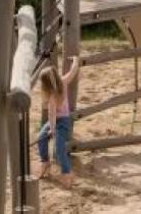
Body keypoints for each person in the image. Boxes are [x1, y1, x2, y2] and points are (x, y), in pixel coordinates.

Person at [37, 57, 80, 188]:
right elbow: (73, 72)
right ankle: (45, 162)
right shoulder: (62, 82)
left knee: (60, 149)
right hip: (55, 121)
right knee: (40, 138)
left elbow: (52, 114)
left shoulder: (54, 94)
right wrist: (76, 61)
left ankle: (67, 173)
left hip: (62, 122)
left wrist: (53, 129)